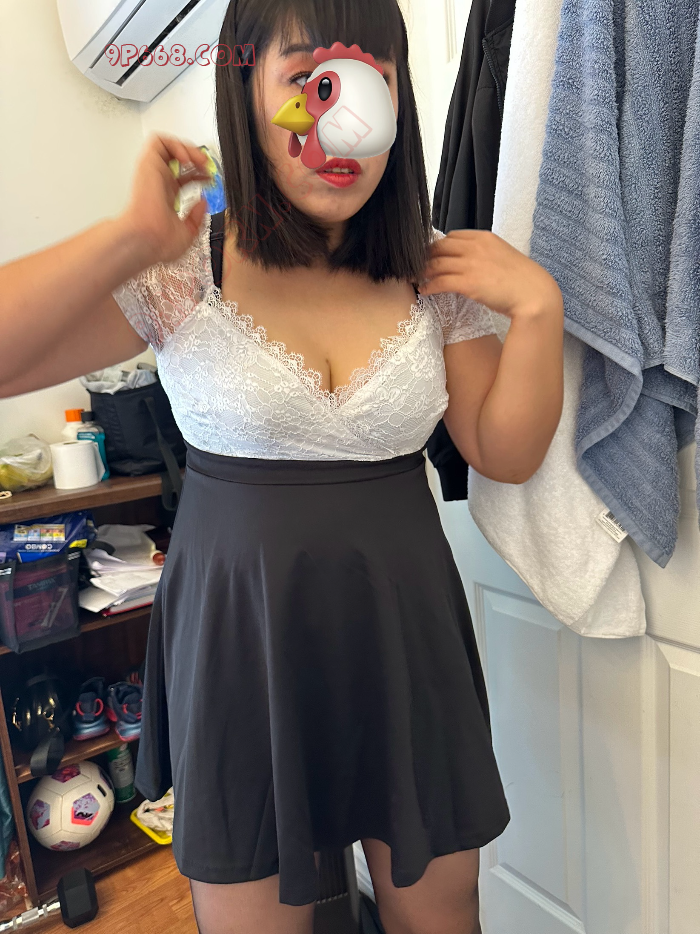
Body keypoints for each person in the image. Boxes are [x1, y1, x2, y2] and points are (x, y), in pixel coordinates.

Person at [0, 0, 564, 931]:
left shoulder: (431, 273)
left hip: (404, 637)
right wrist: (128, 238)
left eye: (367, 80)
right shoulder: (187, 269)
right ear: (247, 94)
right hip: (240, 645)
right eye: (306, 80)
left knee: (441, 914)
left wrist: (537, 311)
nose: (338, 115)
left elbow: (503, 451)